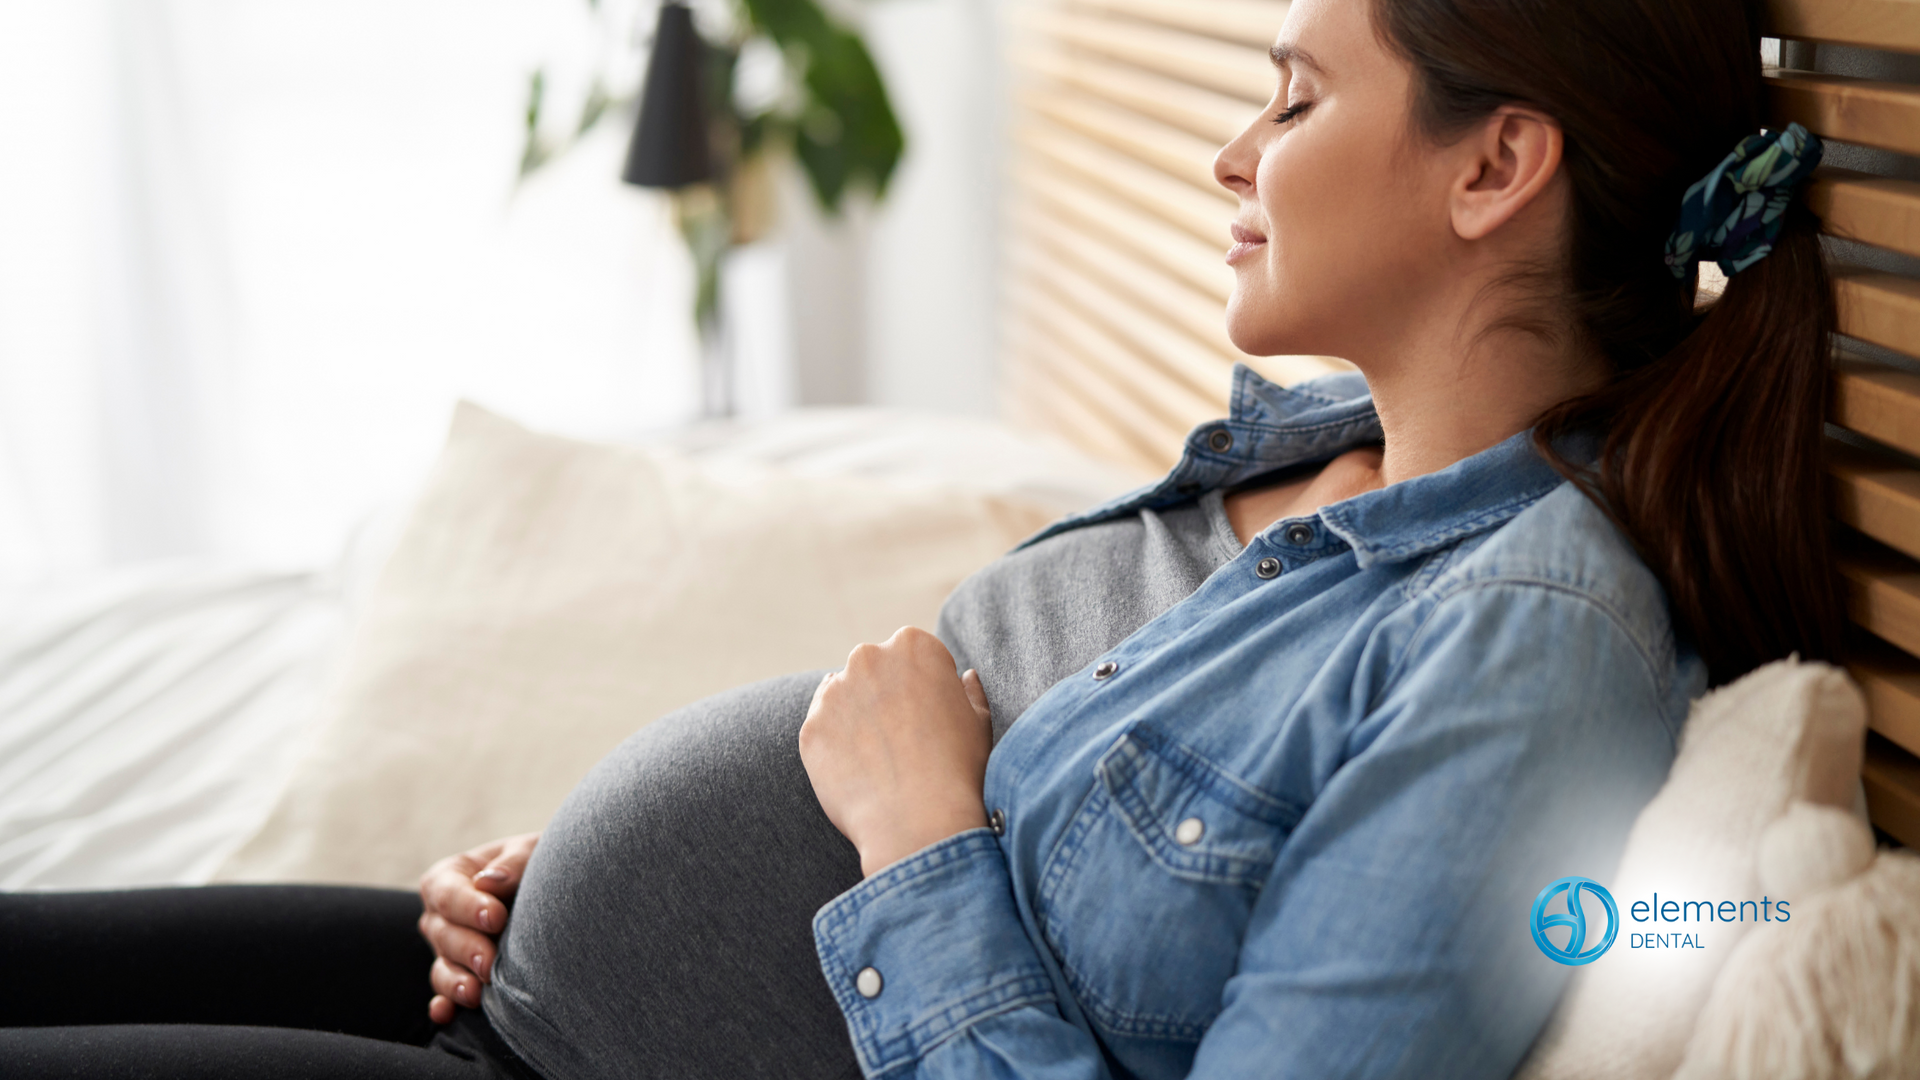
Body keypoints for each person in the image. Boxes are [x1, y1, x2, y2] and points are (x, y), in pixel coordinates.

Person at [0, 0, 1842, 1076]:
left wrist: (913, 831)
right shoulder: (1303, 458)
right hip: (498, 972)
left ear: (1493, 168)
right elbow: (1019, 730)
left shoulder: (1523, 645)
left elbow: (945, 806)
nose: (1228, 160)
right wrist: (586, 856)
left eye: (1292, 97)